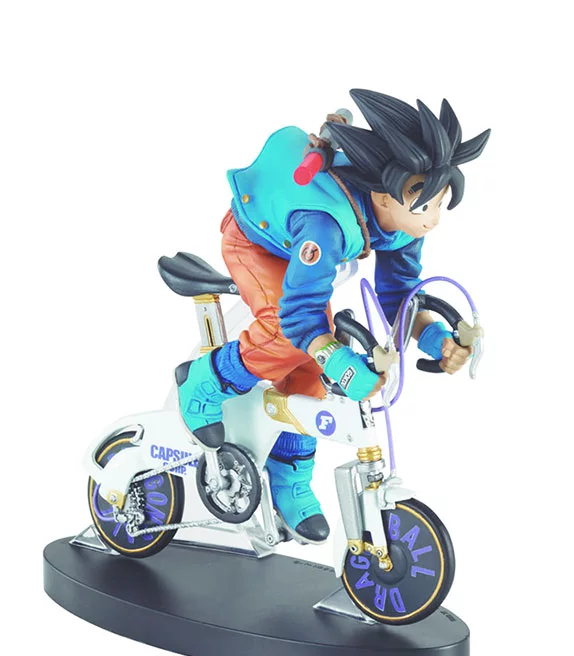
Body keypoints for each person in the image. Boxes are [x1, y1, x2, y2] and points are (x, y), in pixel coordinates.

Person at [176, 88, 491, 544]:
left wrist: (434, 339)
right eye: (428, 205)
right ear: (383, 196)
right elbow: (299, 317)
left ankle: (289, 479)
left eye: (440, 203)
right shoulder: (325, 225)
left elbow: (399, 295)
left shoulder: (405, 221)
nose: (434, 219)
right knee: (289, 339)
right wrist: (339, 362)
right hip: (259, 244)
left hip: (311, 257)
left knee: (309, 375)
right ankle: (204, 380)